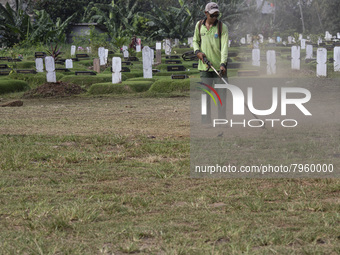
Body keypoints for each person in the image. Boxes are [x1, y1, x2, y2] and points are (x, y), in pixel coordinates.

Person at [193, 2, 229, 123]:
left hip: (219, 68)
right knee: (205, 96)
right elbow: (195, 41)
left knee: (222, 96)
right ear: (206, 13)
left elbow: (224, 47)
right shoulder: (199, 26)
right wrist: (197, 52)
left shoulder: (222, 27)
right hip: (205, 68)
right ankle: (206, 121)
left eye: (216, 15)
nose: (214, 18)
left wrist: (223, 64)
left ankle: (222, 120)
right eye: (212, 15)